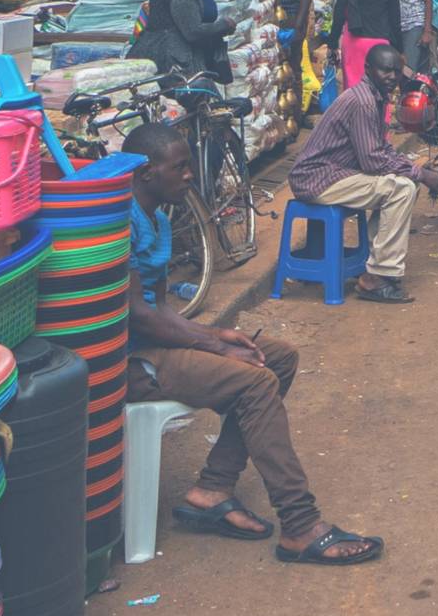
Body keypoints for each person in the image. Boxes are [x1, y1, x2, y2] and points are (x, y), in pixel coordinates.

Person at [122, 124, 384, 566]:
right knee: (256, 383)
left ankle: (213, 489)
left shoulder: (160, 220)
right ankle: (301, 526)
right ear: (147, 173)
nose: (190, 176)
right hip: (128, 361)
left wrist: (217, 336)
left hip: (153, 344)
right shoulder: (120, 220)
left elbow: (160, 306)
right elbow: (137, 315)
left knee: (277, 358)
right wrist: (215, 346)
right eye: (180, 167)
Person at [287, 45, 438, 303]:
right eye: (385, 70)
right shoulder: (362, 101)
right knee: (402, 188)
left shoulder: (376, 97)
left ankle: (376, 262)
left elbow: (380, 150)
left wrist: (416, 173)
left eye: (395, 71)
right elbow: (372, 161)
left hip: (337, 173)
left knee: (407, 184)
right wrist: (423, 175)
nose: (392, 76)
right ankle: (378, 277)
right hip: (317, 179)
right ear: (369, 70)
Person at [330, 0, 400, 91]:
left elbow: (339, 13)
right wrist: (399, 49)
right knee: (381, 89)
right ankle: (380, 115)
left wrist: (332, 42)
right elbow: (395, 20)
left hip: (355, 42)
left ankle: (358, 115)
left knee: (355, 88)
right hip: (381, 43)